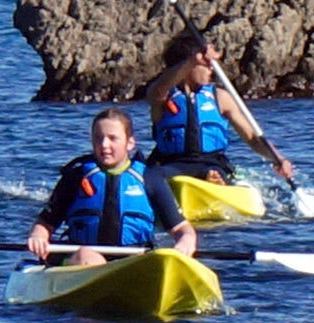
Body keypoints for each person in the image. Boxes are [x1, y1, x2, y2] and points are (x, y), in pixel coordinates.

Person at [27, 109, 201, 267]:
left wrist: (186, 240)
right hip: (82, 260)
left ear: (130, 143)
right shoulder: (76, 176)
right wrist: (39, 237)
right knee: (88, 256)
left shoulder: (150, 178)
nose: (104, 144)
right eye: (98, 138)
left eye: (112, 138)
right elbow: (45, 223)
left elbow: (180, 228)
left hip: (133, 257)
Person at [143, 31, 303, 194]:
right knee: (154, 175)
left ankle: (213, 180)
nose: (211, 68)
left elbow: (253, 138)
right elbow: (157, 89)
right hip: (171, 164)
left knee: (214, 172)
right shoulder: (162, 97)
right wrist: (192, 61)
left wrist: (278, 158)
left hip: (211, 163)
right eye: (205, 64)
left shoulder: (220, 97)